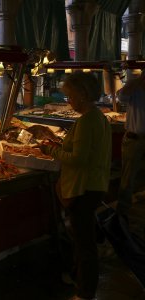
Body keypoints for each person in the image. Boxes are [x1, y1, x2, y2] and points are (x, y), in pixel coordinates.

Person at [40, 72, 112, 300]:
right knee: (82, 238)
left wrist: (49, 150)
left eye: (70, 96)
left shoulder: (86, 120)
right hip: (95, 184)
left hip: (84, 188)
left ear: (82, 95)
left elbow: (77, 158)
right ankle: (76, 276)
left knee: (84, 244)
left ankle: (85, 292)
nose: (68, 100)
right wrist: (61, 144)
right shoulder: (99, 117)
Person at [115, 70, 145, 220]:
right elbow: (121, 97)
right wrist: (133, 83)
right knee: (128, 176)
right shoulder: (135, 87)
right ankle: (122, 213)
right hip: (134, 138)